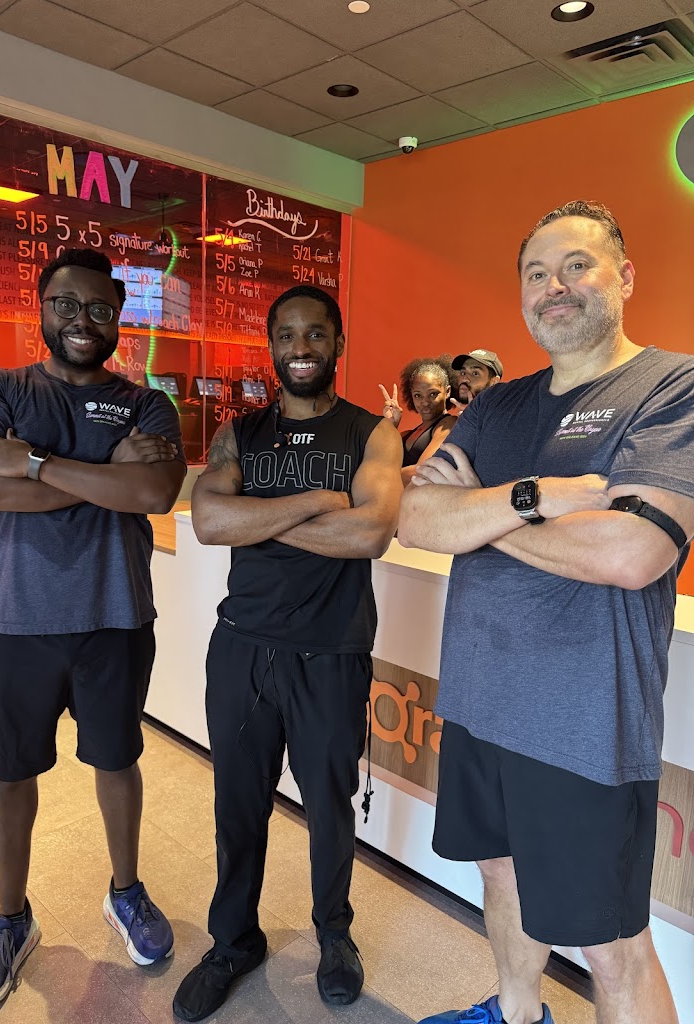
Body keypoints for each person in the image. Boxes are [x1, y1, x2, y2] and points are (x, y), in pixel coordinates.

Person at [399, 200, 692, 1024]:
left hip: (583, 722)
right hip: (480, 698)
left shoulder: (671, 386)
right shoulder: (497, 407)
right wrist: (538, 497)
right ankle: (517, 1013)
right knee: (499, 874)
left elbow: (632, 553)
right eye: (537, 272)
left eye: (576, 265)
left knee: (612, 945)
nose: (553, 286)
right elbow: (416, 518)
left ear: (624, 278)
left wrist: (482, 512)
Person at [0, 248, 187, 1010]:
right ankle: (11, 921)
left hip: (115, 617)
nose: (83, 320)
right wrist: (104, 472)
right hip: (13, 621)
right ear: (42, 310)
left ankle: (126, 891)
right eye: (66, 305)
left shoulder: (147, 403)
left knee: (118, 760)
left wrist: (35, 464)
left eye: (99, 308)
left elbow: (152, 491)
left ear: (118, 316)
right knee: (10, 772)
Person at [173, 284, 402, 1022]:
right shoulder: (240, 433)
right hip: (241, 650)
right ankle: (233, 941)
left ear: (337, 343)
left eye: (315, 334)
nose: (300, 349)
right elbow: (208, 522)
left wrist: (256, 519)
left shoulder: (372, 433)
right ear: (271, 346)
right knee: (237, 806)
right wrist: (315, 503)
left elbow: (370, 533)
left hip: (330, 653)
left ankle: (334, 935)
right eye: (287, 336)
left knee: (329, 809)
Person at [379, 359, 455, 485]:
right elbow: (378, 463)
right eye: (418, 395)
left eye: (433, 394)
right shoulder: (406, 434)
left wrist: (378, 479)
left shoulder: (448, 425)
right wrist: (391, 426)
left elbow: (423, 471)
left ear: (447, 392)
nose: (425, 402)